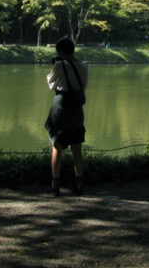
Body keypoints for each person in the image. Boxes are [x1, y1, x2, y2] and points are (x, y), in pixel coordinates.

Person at [44, 36, 88, 196]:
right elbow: (83, 86)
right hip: (77, 107)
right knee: (77, 147)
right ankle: (79, 183)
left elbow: (51, 84)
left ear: (61, 51)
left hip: (62, 105)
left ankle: (55, 184)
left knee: (57, 145)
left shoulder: (59, 64)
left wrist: (54, 66)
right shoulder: (84, 66)